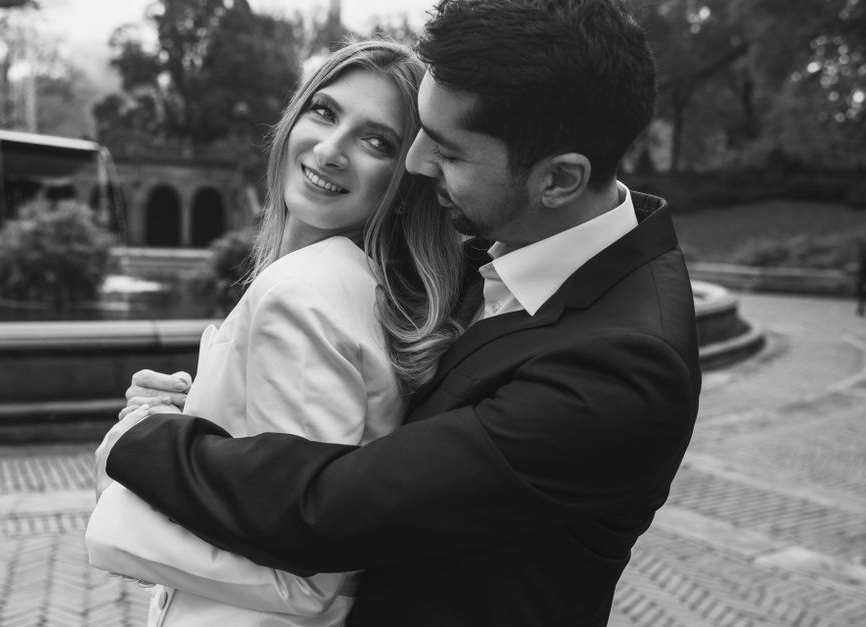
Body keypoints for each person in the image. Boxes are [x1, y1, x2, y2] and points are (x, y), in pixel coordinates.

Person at [98, 0, 702, 624]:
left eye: (448, 151)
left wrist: (142, 439)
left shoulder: (625, 368)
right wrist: (216, 402)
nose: (414, 166)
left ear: (559, 180)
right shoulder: (495, 250)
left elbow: (330, 508)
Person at [85, 39, 465, 626]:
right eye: (324, 111)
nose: (331, 149)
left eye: (376, 141)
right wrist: (182, 424)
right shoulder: (364, 289)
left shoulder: (303, 294)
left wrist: (128, 468)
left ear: (408, 174)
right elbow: (272, 485)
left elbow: (308, 575)